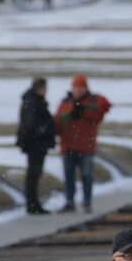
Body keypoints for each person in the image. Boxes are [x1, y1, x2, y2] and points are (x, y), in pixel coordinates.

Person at [54, 74, 111, 214]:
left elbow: (103, 110)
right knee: (69, 176)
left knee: (87, 176)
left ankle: (86, 202)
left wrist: (83, 112)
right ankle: (69, 202)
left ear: (86, 88)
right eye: (76, 87)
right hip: (68, 146)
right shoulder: (66, 103)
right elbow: (58, 122)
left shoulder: (93, 101)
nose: (78, 90)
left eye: (81, 87)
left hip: (86, 146)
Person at [16, 77, 56, 214]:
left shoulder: (32, 101)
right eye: (45, 88)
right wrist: (43, 131)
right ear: (39, 88)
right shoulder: (33, 102)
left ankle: (33, 204)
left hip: (35, 144)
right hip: (36, 145)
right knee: (33, 175)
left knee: (34, 175)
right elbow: (31, 125)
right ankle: (32, 205)